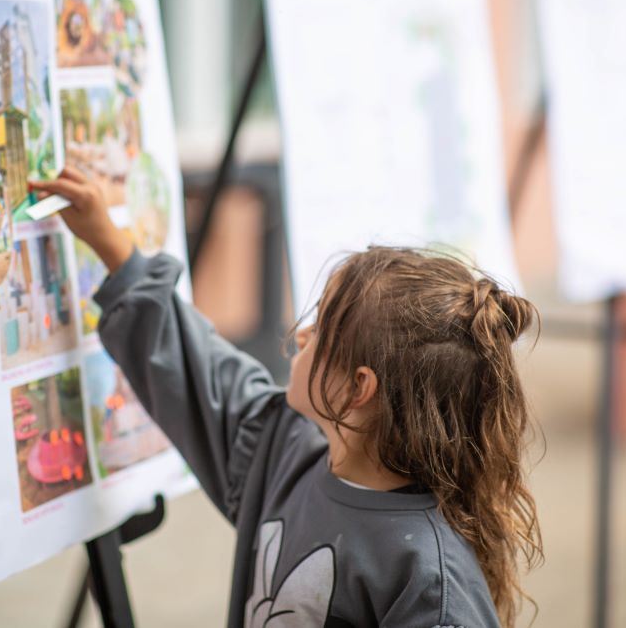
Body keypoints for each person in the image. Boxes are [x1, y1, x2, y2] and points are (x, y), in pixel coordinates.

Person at [34, 167, 543, 627]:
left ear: (358, 390)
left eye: (320, 327)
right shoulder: (283, 453)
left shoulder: (431, 588)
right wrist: (109, 242)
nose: (301, 335)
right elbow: (194, 368)